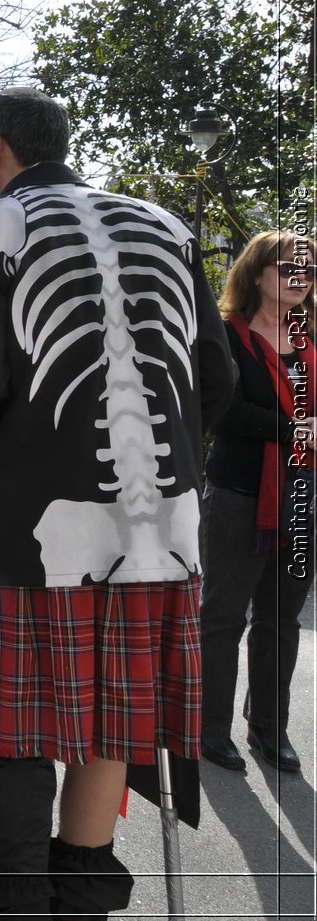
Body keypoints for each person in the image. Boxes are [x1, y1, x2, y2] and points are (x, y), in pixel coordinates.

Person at [0, 87, 235, 917]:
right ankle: (82, 901)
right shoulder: (169, 227)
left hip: (37, 530)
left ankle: (8, 903)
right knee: (112, 722)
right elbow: (221, 376)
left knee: (6, 731)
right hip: (162, 530)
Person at [199, 230, 314, 773]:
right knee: (222, 616)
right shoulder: (226, 335)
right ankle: (209, 727)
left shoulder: (312, 341)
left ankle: (269, 727)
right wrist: (296, 431)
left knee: (281, 619)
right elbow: (223, 413)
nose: (301, 278)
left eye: (309, 271)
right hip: (239, 493)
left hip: (301, 497)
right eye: (289, 266)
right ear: (257, 272)